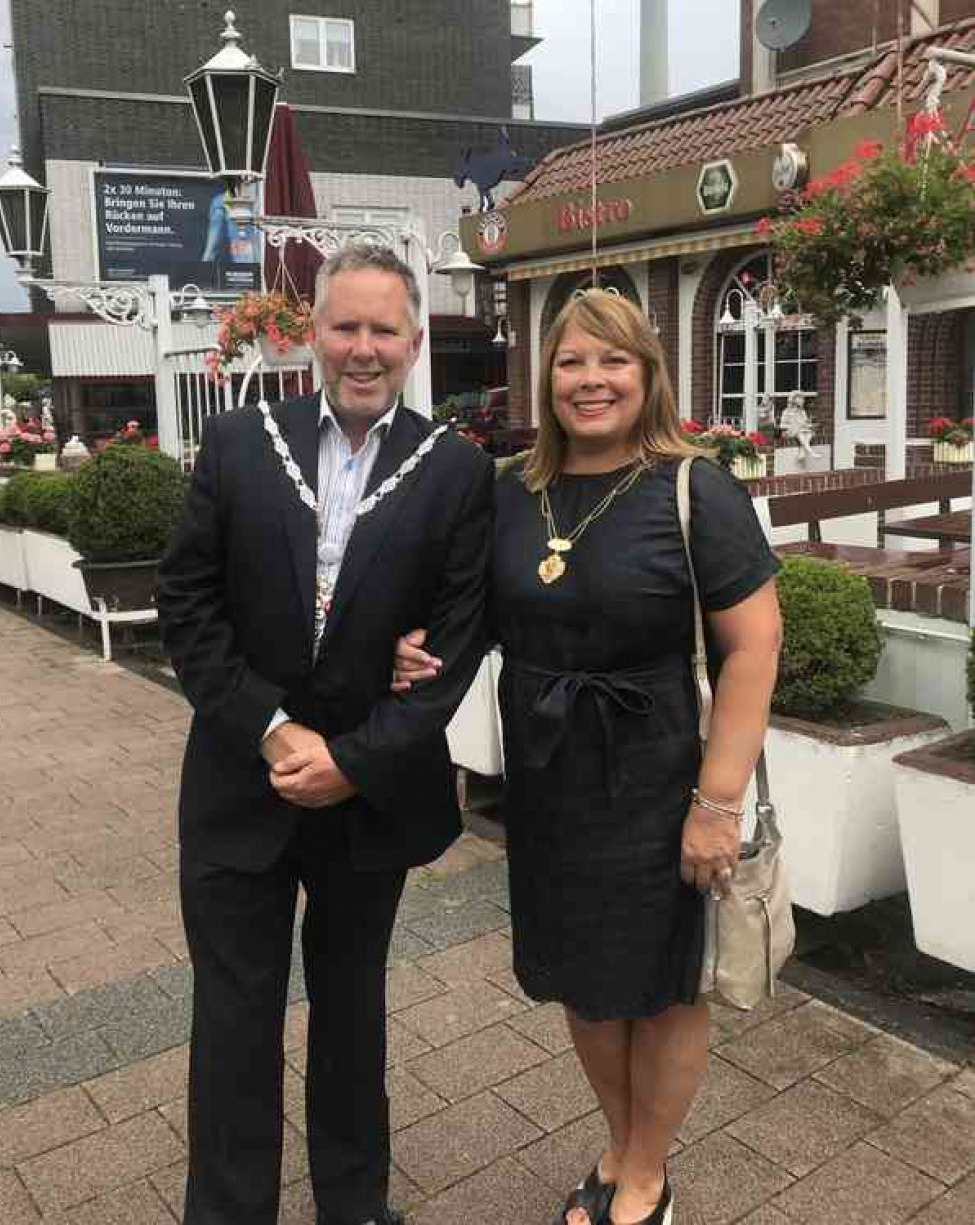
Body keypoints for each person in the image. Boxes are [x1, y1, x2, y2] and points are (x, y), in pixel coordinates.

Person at [394, 290, 782, 1225]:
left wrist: (717, 803)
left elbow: (755, 645)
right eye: (572, 362)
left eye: (612, 361)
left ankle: (646, 1170)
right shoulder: (510, 491)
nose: (590, 380)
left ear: (648, 374)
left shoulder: (694, 488)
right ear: (547, 376)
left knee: (661, 986)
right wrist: (416, 650)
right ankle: (618, 1137)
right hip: (551, 783)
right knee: (582, 977)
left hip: (660, 782)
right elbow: (477, 615)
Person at [157, 242, 494, 1225]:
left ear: (414, 338)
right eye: (344, 325)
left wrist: (352, 759)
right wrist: (269, 732)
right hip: (236, 783)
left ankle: (354, 1205)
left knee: (352, 1013)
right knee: (232, 1017)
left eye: (382, 329)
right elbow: (187, 602)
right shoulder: (235, 443)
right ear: (310, 332)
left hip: (367, 799)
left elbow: (459, 640)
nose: (362, 348)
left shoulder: (455, 471)